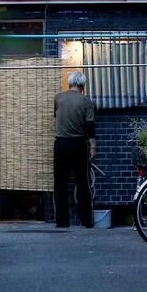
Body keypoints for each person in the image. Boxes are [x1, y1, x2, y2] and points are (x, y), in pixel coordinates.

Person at [53, 71, 96, 228]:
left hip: (60, 144)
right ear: (83, 85)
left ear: (69, 83)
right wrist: (93, 147)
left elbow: (56, 116)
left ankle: (62, 222)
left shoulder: (58, 98)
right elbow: (90, 127)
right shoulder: (86, 101)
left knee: (60, 184)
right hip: (78, 144)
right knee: (83, 183)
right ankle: (87, 221)